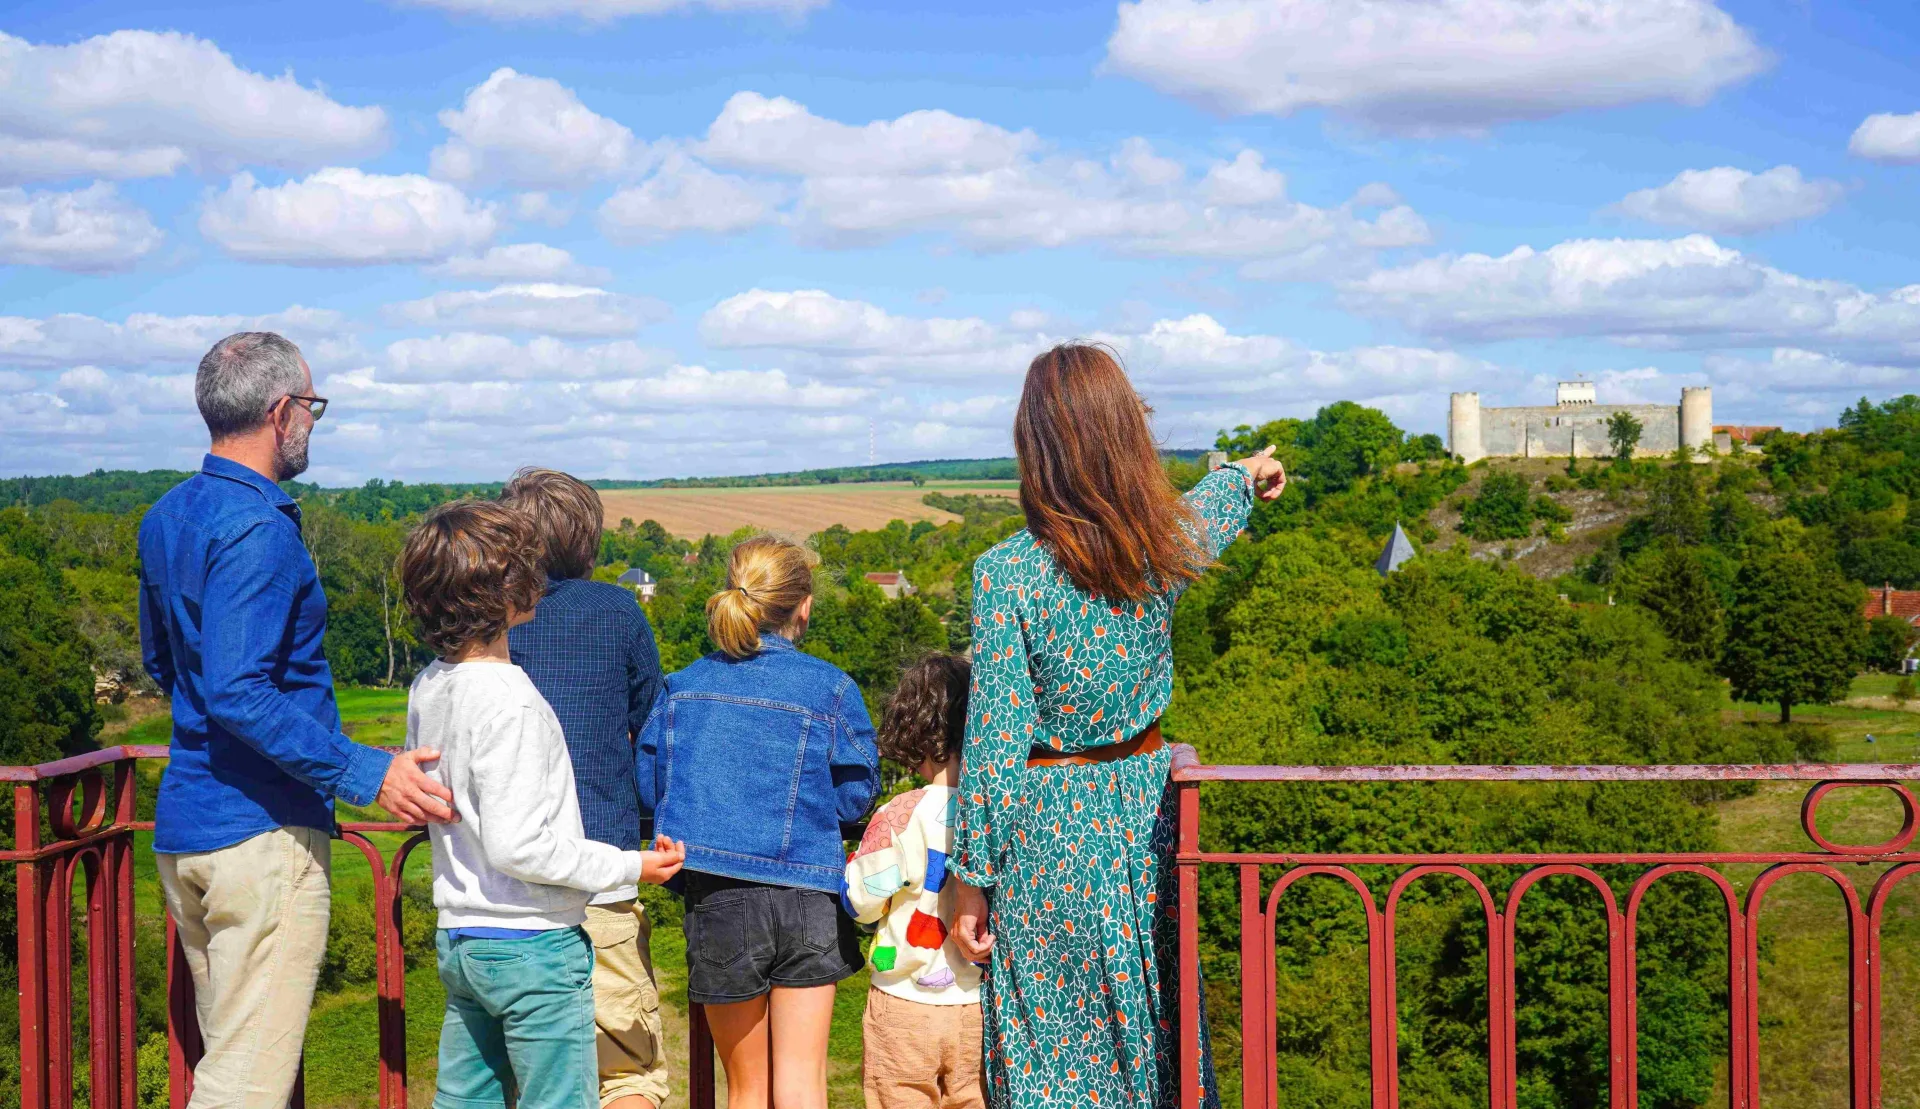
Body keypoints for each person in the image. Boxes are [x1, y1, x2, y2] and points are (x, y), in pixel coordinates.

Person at [945, 344, 1286, 1109]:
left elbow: (995, 743)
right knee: (1157, 1037)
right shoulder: (1157, 547)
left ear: (1035, 445)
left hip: (1047, 842)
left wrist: (968, 881)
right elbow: (1211, 514)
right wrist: (1248, 472)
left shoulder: (1007, 573)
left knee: (1050, 1065)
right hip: (1146, 819)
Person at [139, 331, 457, 1109]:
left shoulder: (166, 516)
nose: (313, 420)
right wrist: (366, 769)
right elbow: (240, 692)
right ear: (280, 412)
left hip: (188, 829)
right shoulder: (261, 530)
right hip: (262, 838)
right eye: (311, 406)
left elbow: (165, 666)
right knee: (242, 1088)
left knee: (239, 1063)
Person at [398, 500, 686, 1109]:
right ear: (507, 594)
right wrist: (631, 866)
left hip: (462, 933)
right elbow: (520, 846)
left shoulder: (431, 684)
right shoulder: (512, 702)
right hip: (531, 941)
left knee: (466, 1098)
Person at [636, 536, 880, 1109]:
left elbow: (652, 787)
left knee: (745, 1089)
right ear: (804, 605)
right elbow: (854, 797)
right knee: (802, 1085)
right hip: (810, 897)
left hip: (719, 897)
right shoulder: (831, 687)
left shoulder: (683, 686)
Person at [500, 468, 671, 1109]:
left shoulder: (491, 618)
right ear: (587, 540)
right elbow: (649, 721)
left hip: (505, 886)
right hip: (602, 865)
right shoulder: (617, 611)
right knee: (625, 1071)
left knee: (522, 1075)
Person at [843, 653, 986, 1109]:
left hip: (904, 999)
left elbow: (862, 898)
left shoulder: (900, 814)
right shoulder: (1000, 812)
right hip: (981, 1003)